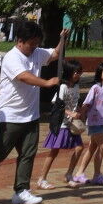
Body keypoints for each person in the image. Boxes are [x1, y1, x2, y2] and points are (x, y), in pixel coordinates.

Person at [0, 18, 67, 204]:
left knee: (28, 153)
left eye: (37, 43)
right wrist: (46, 82)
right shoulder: (12, 57)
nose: (35, 47)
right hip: (10, 115)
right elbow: (23, 77)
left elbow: (55, 54)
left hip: (31, 115)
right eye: (31, 44)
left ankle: (21, 190)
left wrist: (62, 39)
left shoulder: (37, 52)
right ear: (20, 41)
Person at [36, 61, 83, 191]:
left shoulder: (76, 87)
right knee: (54, 151)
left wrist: (79, 111)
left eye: (79, 72)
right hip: (61, 124)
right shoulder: (63, 87)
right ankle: (42, 179)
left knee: (79, 148)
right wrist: (70, 113)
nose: (78, 75)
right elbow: (57, 105)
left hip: (72, 124)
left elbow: (77, 103)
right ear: (69, 72)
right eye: (76, 72)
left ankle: (69, 174)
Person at [79, 64, 103, 187]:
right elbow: (86, 104)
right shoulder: (95, 88)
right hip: (94, 122)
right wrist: (81, 117)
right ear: (100, 73)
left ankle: (79, 173)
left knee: (92, 147)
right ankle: (97, 175)